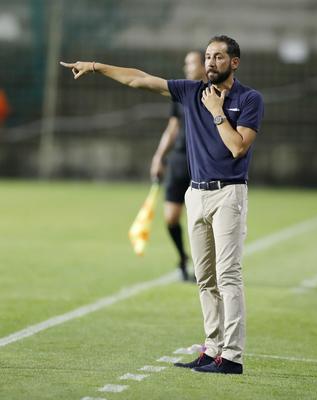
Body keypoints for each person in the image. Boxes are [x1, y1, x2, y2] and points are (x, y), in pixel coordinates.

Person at [60, 34, 264, 374]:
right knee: (204, 279)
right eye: (208, 56)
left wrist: (216, 113)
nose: (211, 62)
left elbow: (238, 147)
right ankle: (212, 348)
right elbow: (138, 79)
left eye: (218, 57)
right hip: (196, 194)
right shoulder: (189, 91)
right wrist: (96, 67)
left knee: (228, 276)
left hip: (229, 194)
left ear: (234, 63)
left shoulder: (250, 99)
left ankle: (232, 357)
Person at [150, 51, 206, 281]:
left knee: (201, 221)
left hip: (202, 162)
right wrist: (159, 157)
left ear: (205, 65)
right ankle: (182, 258)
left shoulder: (213, 93)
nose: (186, 67)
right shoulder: (181, 93)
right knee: (171, 218)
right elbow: (173, 127)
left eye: (190, 63)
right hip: (180, 160)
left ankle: (205, 267)